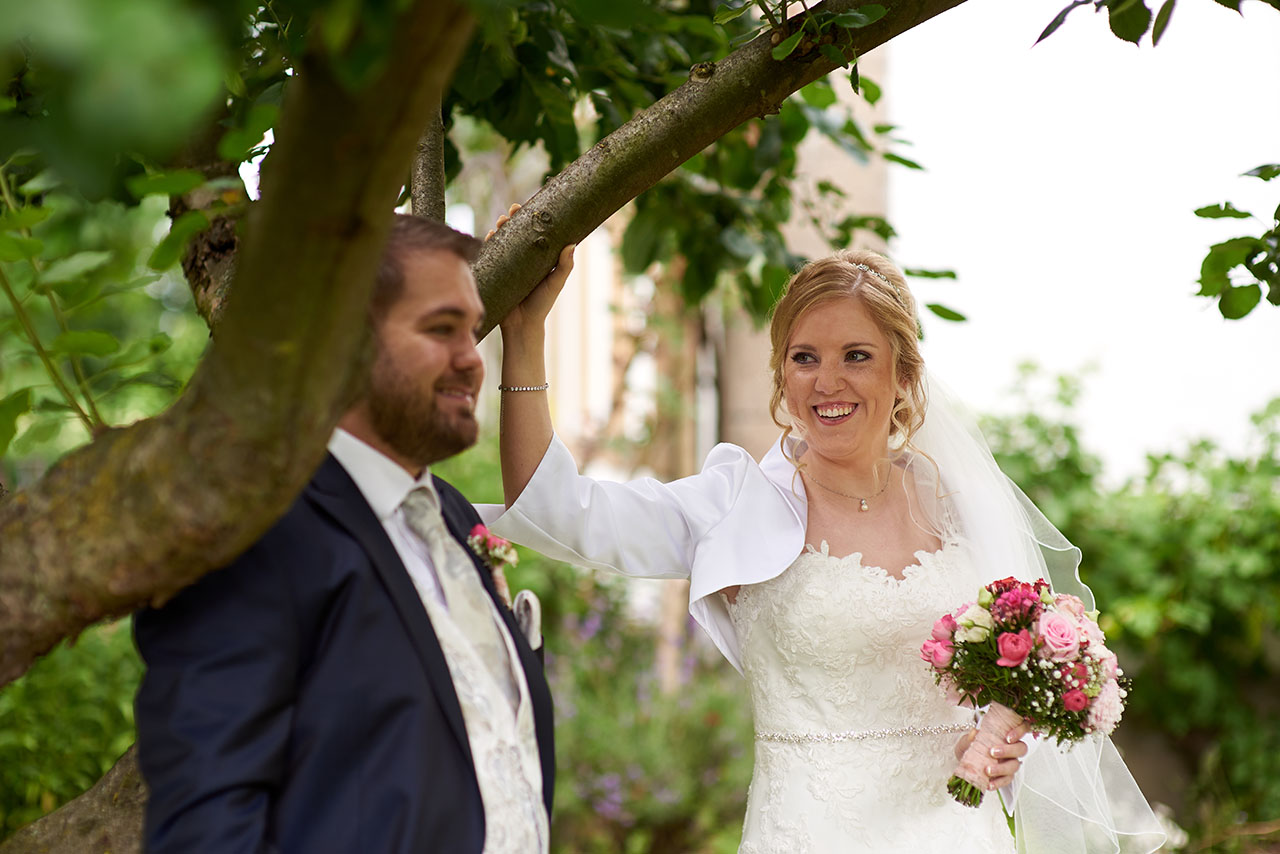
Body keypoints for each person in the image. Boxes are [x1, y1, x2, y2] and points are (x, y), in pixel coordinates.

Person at [485, 240, 1166, 852]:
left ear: (904, 375)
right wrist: (525, 335)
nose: (827, 382)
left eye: (856, 357)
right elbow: (553, 510)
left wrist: (994, 740)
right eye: (804, 358)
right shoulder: (737, 505)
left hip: (958, 834)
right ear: (782, 376)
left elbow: (1000, 686)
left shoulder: (955, 505)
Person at [133, 215, 563, 854]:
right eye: (440, 329)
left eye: (472, 332)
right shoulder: (251, 537)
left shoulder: (450, 515)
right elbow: (206, 828)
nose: (473, 361)